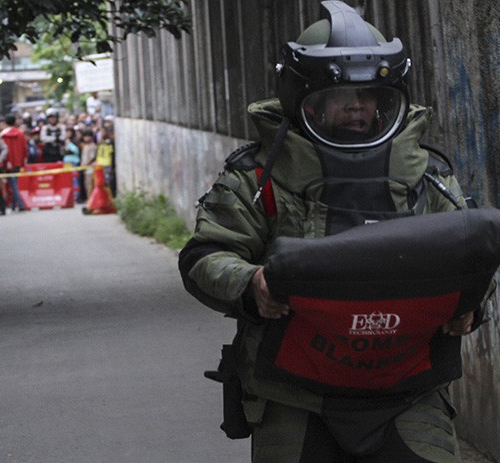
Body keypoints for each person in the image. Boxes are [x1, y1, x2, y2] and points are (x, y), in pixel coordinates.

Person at [178, 2, 481, 461]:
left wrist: (470, 306)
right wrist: (251, 283)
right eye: (340, 96)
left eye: (370, 95)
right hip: (294, 392)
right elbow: (205, 255)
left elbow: (472, 252)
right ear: (303, 98)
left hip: (408, 389)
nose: (357, 106)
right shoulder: (259, 176)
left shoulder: (425, 174)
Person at [0, 114, 29, 211]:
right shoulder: (20, 133)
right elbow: (25, 148)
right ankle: (15, 204)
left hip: (8, 162)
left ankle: (19, 204)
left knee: (13, 184)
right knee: (15, 183)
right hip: (18, 162)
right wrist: (24, 159)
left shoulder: (2, 135)